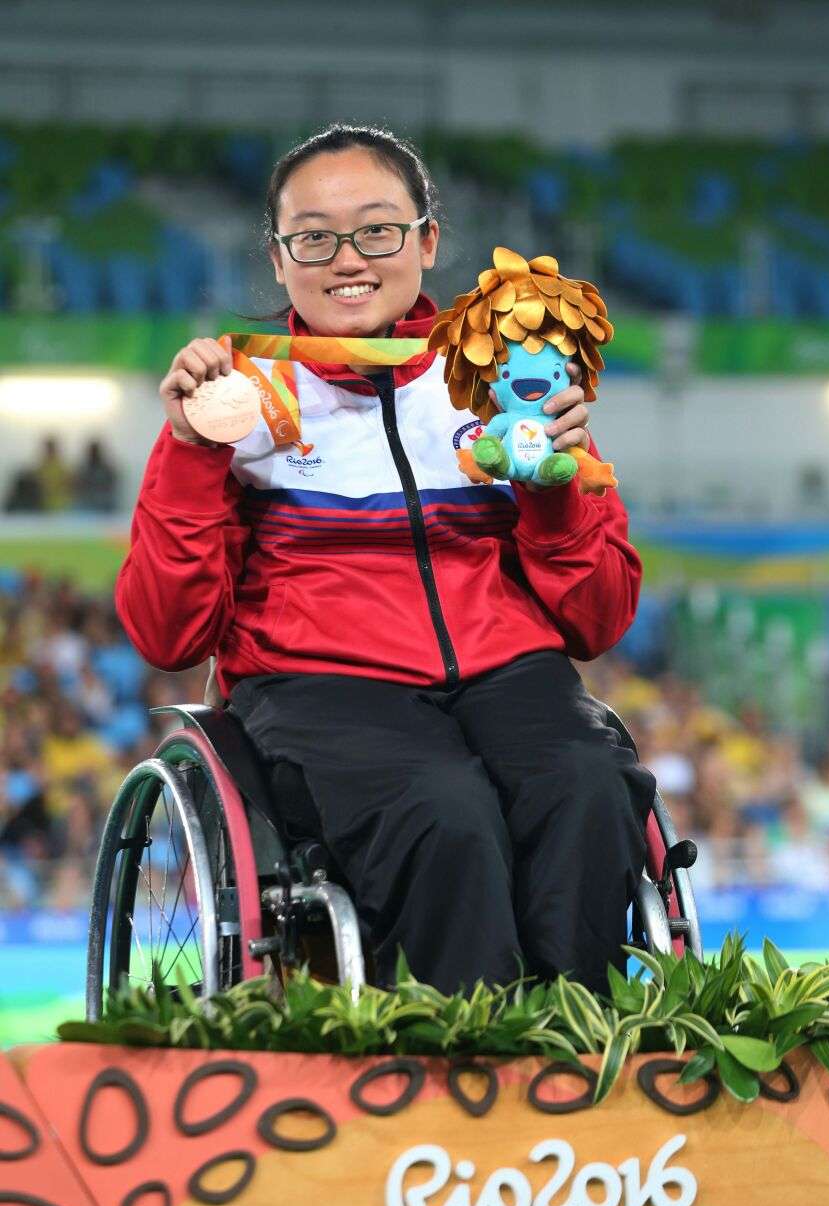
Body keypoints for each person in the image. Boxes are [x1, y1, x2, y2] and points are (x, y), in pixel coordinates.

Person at [115, 124, 655, 996]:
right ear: (280, 258)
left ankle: (578, 1049)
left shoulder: (501, 379)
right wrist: (189, 450)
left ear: (427, 240)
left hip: (508, 673)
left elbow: (597, 621)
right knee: (445, 813)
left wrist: (553, 492)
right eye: (314, 237)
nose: (346, 258)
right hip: (321, 686)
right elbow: (167, 633)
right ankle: (462, 1073)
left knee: (590, 785)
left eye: (377, 229)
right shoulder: (240, 400)